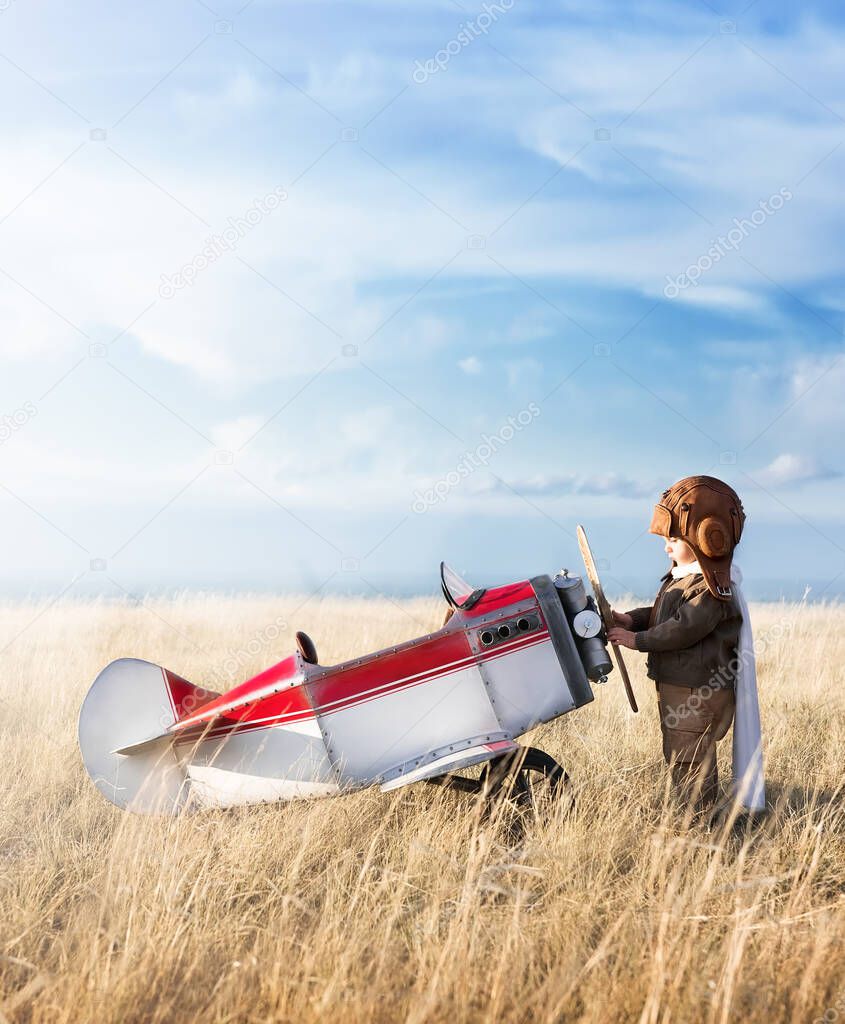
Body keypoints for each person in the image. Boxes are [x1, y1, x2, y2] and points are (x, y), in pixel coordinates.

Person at [607, 476, 759, 813]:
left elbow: (683, 628)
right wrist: (630, 619)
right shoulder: (686, 577)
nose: (666, 546)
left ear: (706, 536)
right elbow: (665, 613)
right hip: (682, 687)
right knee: (681, 752)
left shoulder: (710, 587)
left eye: (673, 538)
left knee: (690, 758)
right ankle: (690, 816)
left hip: (697, 690)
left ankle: (698, 825)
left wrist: (638, 640)